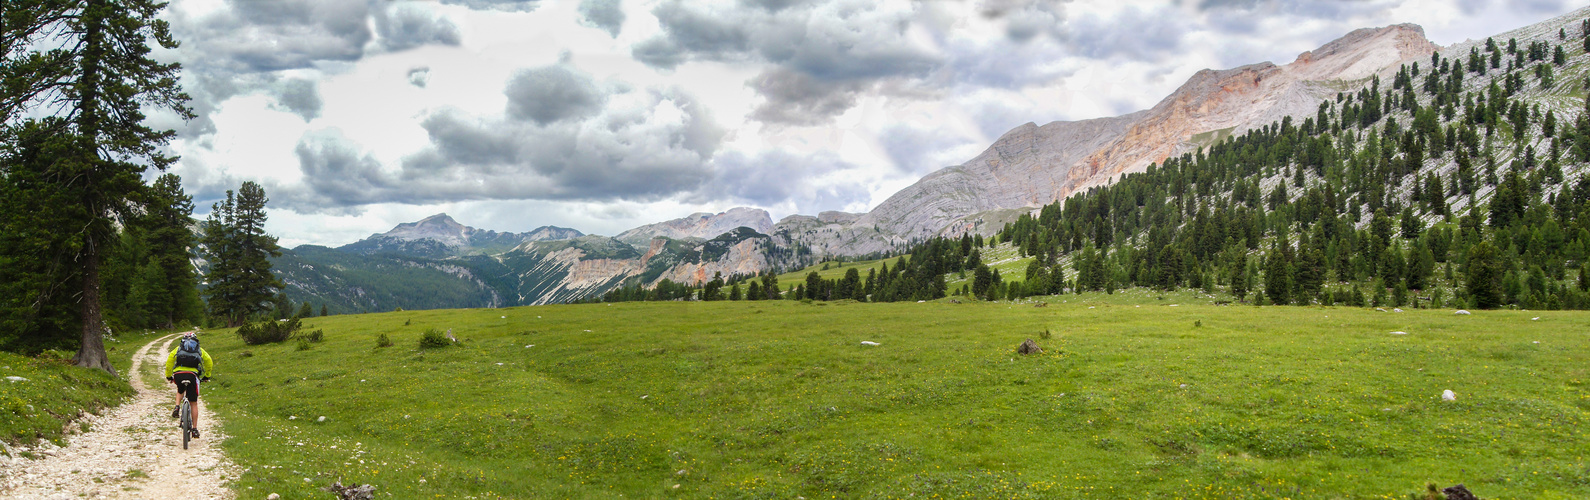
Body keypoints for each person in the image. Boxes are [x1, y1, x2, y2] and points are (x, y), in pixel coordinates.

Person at [165, 332, 213, 439]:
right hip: (192, 375)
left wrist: (169, 376)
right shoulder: (199, 349)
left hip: (178, 374)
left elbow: (169, 361)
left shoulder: (178, 349)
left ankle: (177, 407)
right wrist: (207, 376)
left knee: (180, 390)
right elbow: (208, 361)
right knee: (193, 403)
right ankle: (195, 429)